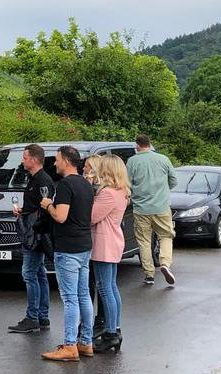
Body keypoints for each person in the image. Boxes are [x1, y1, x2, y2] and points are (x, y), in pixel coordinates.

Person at [39, 145, 96, 362]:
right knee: (83, 296)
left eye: (56, 159)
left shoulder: (65, 185)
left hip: (68, 248)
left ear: (66, 161)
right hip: (84, 245)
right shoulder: (85, 184)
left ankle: (70, 345)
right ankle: (86, 341)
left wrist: (47, 205)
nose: (54, 163)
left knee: (70, 298)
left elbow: (61, 216)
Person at [9, 144, 57, 333]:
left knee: (29, 273)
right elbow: (37, 206)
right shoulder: (34, 179)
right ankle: (42, 316)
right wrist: (24, 210)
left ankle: (32, 317)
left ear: (34, 159)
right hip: (35, 231)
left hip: (36, 234)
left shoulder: (42, 181)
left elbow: (45, 209)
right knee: (39, 273)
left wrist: (31, 223)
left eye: (25, 157)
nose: (23, 161)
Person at [88, 155, 131, 354]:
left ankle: (111, 333)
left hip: (104, 244)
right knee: (111, 287)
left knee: (105, 288)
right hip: (113, 241)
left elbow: (92, 217)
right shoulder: (121, 191)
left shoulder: (107, 194)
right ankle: (116, 329)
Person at [127, 134, 178, 287]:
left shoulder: (132, 161)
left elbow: (127, 184)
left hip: (141, 208)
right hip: (161, 207)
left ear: (137, 145)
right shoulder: (163, 159)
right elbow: (174, 181)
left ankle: (149, 274)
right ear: (150, 144)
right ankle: (165, 263)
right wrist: (161, 190)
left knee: (144, 241)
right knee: (166, 236)